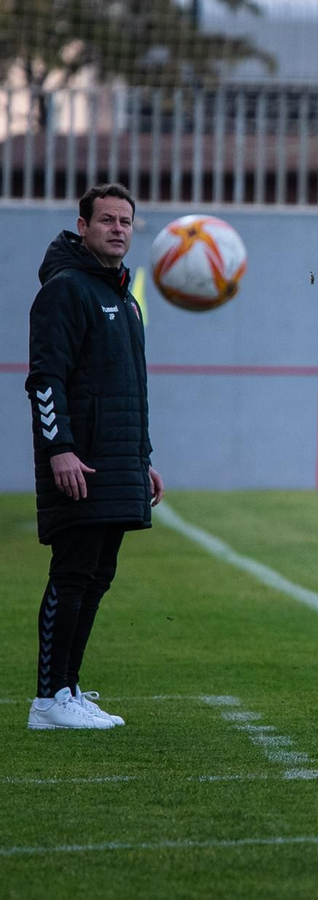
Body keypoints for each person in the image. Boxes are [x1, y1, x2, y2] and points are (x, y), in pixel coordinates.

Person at [26, 184, 164, 731]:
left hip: (116, 462)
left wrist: (141, 457)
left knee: (97, 575)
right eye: (106, 219)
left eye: (125, 221)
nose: (117, 229)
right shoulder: (66, 290)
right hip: (78, 462)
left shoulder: (124, 296)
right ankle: (47, 700)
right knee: (73, 572)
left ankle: (69, 688)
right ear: (81, 226)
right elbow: (44, 379)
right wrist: (59, 449)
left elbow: (130, 387)